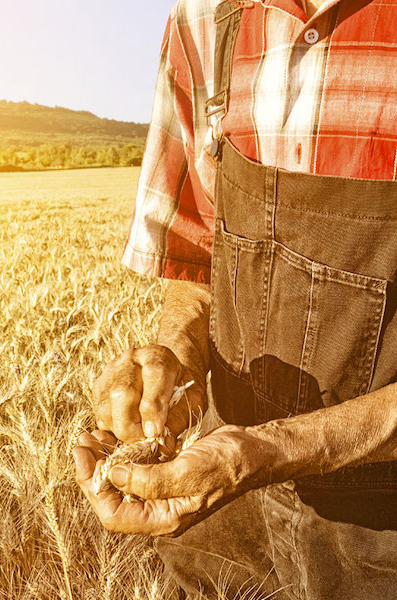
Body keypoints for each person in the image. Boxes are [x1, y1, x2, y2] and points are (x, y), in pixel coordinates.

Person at [71, 0, 397, 598]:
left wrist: (267, 450)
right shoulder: (203, 18)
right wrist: (171, 356)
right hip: (224, 521)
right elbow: (200, 257)